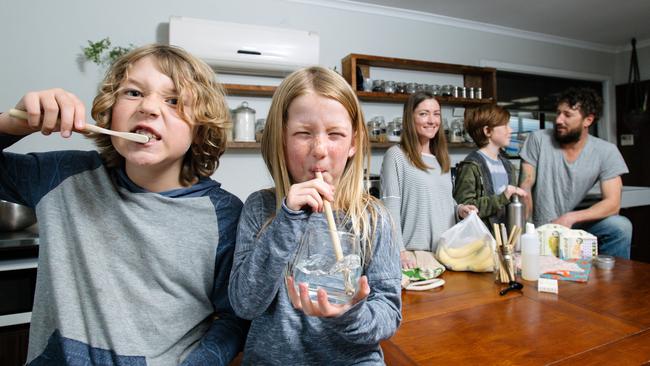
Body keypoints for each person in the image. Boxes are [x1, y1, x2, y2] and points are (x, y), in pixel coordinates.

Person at [0, 44, 248, 365]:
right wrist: (10, 123)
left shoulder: (225, 215)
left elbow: (233, 319)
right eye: (133, 93)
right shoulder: (61, 177)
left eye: (173, 100)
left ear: (200, 129)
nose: (148, 107)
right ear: (110, 110)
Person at [228, 66, 401, 365]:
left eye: (335, 134)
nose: (319, 149)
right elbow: (245, 304)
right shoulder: (259, 209)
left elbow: (388, 316)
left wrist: (349, 315)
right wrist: (286, 220)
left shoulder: (372, 217)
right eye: (303, 133)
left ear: (354, 142)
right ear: (282, 139)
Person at [519, 87, 632, 259]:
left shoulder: (606, 151)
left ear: (588, 120)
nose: (558, 120)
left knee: (621, 226)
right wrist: (525, 231)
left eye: (567, 115)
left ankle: (611, 282)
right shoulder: (538, 139)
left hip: (576, 229)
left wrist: (569, 218)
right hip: (540, 229)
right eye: (558, 113)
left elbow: (613, 203)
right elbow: (525, 187)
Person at [380, 91, 476, 269]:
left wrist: (459, 209)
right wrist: (400, 252)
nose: (432, 120)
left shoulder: (441, 158)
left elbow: (441, 201)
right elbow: (389, 209)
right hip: (415, 256)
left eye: (436, 114)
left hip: (447, 254)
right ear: (410, 117)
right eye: (424, 114)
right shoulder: (396, 155)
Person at [453, 104, 527, 228]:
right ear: (487, 131)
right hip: (483, 241)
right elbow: (465, 209)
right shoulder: (471, 165)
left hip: (508, 241)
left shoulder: (508, 166)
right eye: (505, 126)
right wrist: (503, 197)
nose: (510, 130)